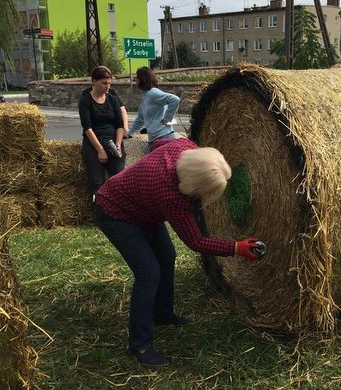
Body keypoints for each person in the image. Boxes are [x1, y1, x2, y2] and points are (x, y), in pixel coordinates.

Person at [93, 137, 263, 368]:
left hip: (144, 208)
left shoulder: (185, 147)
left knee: (166, 256)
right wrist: (236, 247)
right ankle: (140, 346)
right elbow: (196, 241)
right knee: (148, 273)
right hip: (115, 212)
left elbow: (159, 142)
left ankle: (162, 313)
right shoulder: (171, 196)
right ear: (194, 188)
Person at [78, 66, 126, 195]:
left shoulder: (113, 100)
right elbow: (87, 127)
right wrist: (100, 150)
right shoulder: (85, 101)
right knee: (97, 182)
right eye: (104, 83)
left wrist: (118, 144)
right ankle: (98, 211)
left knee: (119, 179)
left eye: (109, 84)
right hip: (94, 143)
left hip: (113, 140)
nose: (107, 87)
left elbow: (119, 124)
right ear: (94, 81)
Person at [127, 66, 180, 149]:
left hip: (164, 139)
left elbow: (175, 99)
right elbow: (140, 119)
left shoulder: (153, 93)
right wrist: (129, 134)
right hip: (155, 140)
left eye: (136, 77)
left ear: (142, 79)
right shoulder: (146, 96)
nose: (135, 79)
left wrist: (167, 118)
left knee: (146, 162)